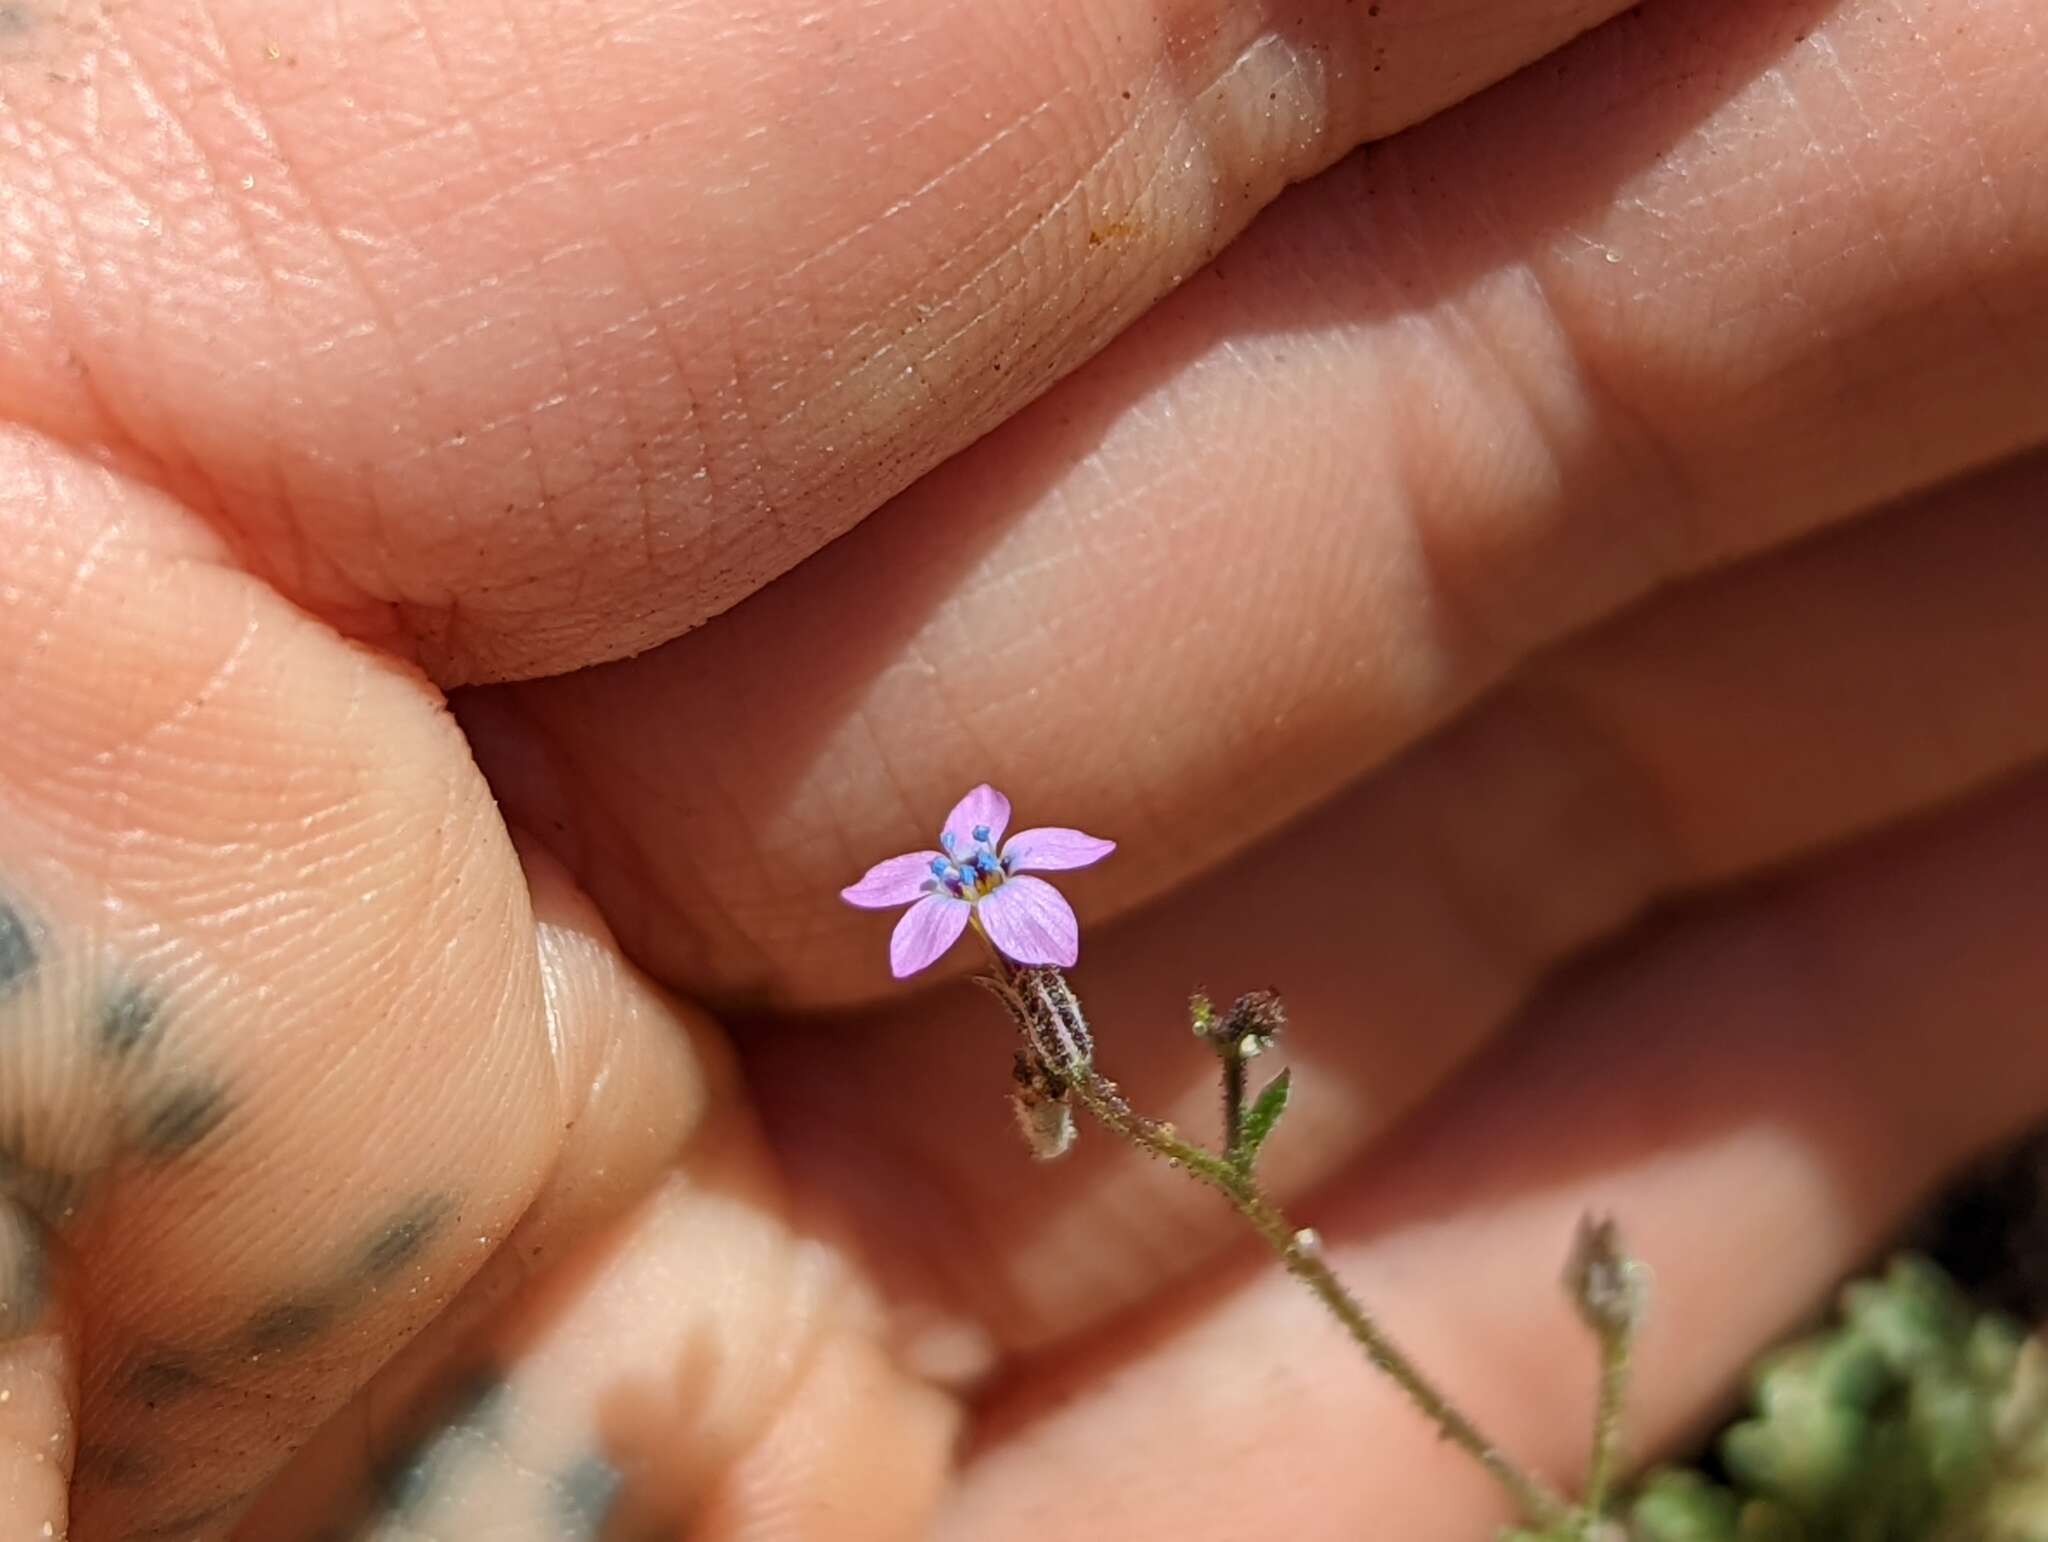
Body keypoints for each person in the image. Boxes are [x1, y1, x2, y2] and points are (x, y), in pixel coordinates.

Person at [1, 0, 2045, 1535]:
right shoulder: (978, 924)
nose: (967, 883)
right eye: (964, 882)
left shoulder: (999, 905)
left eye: (977, 880)